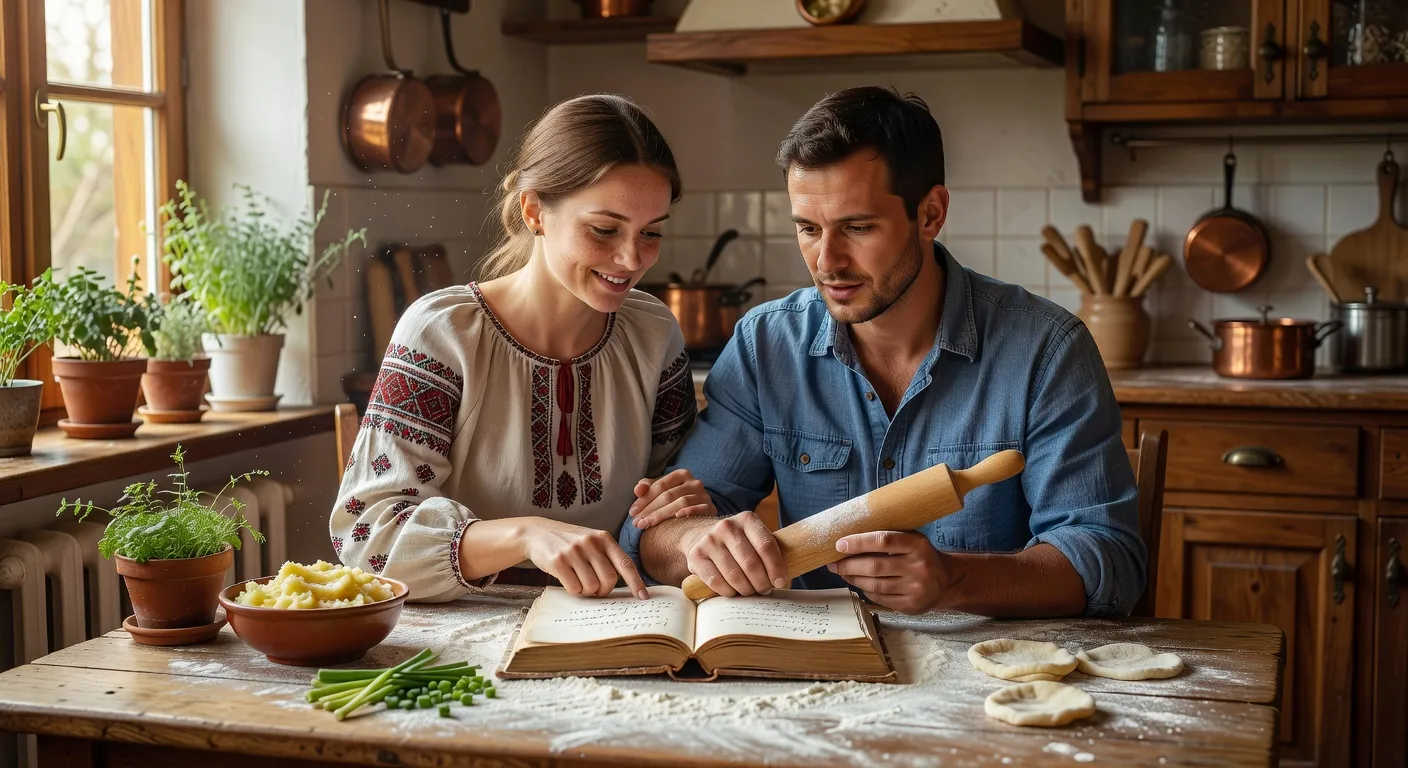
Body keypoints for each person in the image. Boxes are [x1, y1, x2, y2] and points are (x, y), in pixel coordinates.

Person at [622, 87, 1146, 618]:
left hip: (990, 677)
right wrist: (699, 541)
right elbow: (656, 529)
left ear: (931, 214)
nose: (828, 260)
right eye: (808, 229)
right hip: (814, 669)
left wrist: (954, 579)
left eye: (858, 227)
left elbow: (1110, 561)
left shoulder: (1047, 351)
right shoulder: (767, 345)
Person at [331, 94, 701, 603]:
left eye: (652, 233)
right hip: (462, 631)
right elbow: (366, 536)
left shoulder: (655, 333)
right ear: (534, 211)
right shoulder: (443, 334)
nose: (631, 258)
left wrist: (685, 504)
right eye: (604, 229)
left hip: (617, 619)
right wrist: (524, 533)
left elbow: (671, 505)